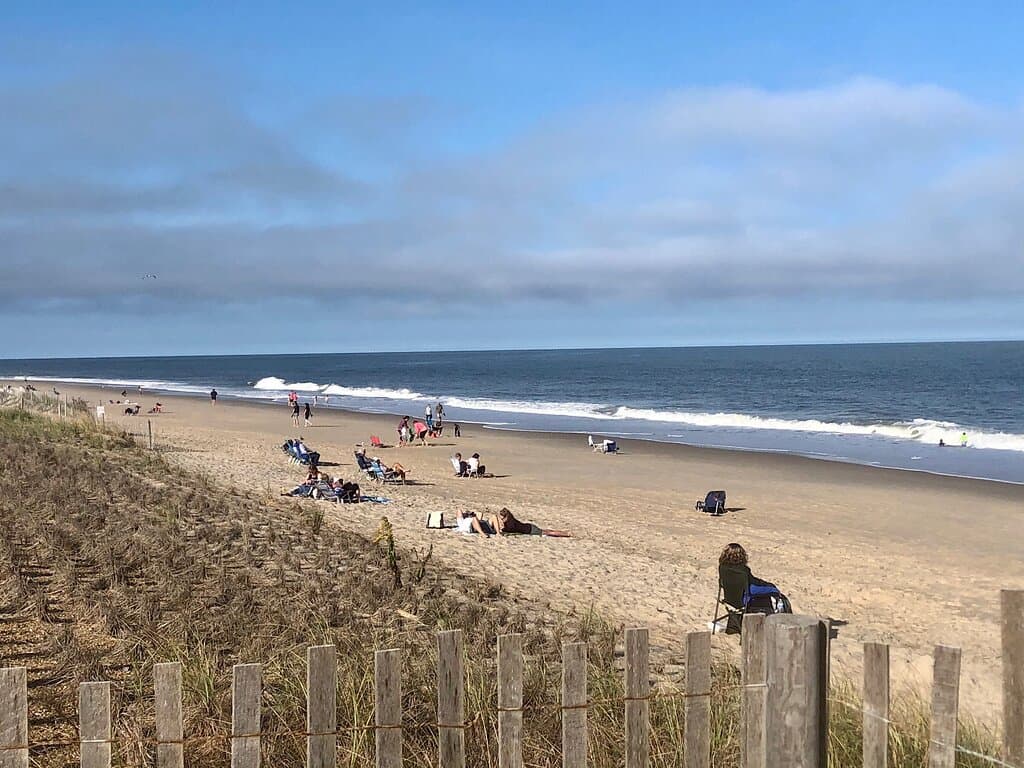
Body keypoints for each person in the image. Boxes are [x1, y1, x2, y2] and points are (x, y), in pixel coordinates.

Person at [718, 543, 787, 634]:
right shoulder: (743, 571)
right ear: (742, 556)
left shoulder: (722, 568)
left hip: (729, 600)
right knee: (774, 595)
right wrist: (772, 589)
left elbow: (721, 584)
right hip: (743, 602)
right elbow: (751, 589)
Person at [490, 507, 571, 537]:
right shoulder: (511, 520)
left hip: (530, 529)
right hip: (529, 527)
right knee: (546, 531)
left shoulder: (510, 524)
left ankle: (566, 534)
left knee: (547, 532)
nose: (501, 520)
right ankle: (565, 532)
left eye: (502, 518)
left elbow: (506, 530)